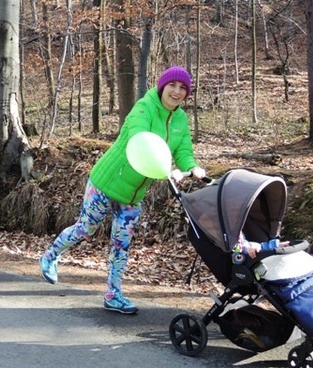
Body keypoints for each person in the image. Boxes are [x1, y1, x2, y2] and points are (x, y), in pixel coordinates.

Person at [38, 65, 205, 315]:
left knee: (121, 244)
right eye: (172, 85)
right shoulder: (143, 108)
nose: (177, 92)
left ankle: (113, 295)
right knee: (86, 229)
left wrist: (192, 167)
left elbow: (183, 150)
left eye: (183, 88)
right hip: (106, 183)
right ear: (162, 86)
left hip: (133, 195)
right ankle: (50, 255)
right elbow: (140, 140)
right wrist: (166, 168)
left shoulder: (180, 119)